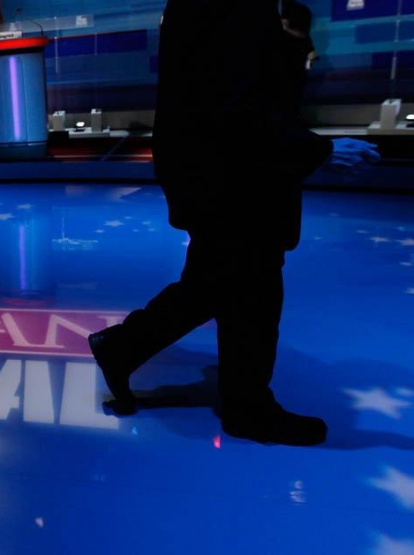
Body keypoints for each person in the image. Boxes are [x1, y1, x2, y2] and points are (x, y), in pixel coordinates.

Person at [88, 0, 380, 446]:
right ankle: (246, 407)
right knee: (253, 287)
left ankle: (125, 349)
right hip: (233, 176)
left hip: (214, 172)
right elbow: (236, 101)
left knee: (219, 282)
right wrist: (316, 151)